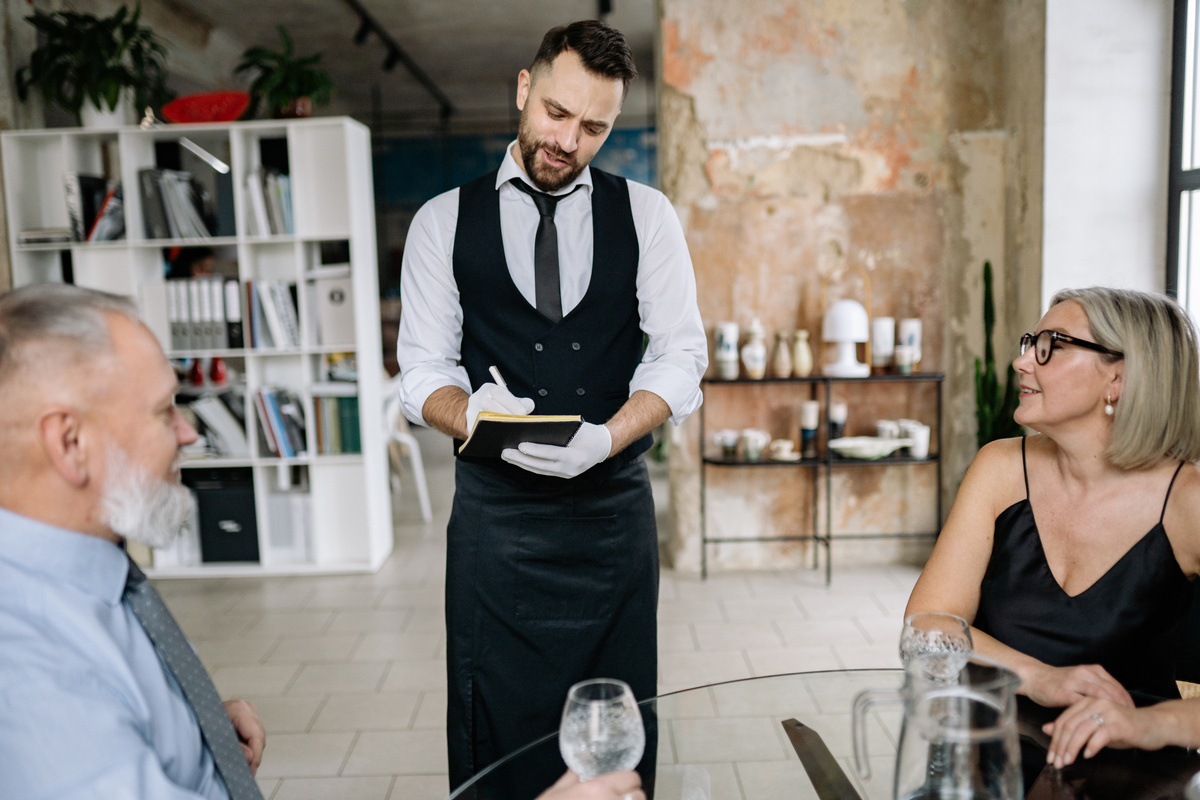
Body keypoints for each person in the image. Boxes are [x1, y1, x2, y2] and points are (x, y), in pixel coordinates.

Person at [396, 19, 707, 798]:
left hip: (611, 520)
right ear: (524, 89)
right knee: (493, 722)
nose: (568, 139)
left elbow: (682, 357)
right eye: (558, 113)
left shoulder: (647, 215)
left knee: (617, 727)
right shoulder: (441, 222)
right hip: (497, 526)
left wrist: (607, 437)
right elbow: (421, 371)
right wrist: (471, 416)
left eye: (595, 126)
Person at [905, 287, 1200, 767]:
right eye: (1030, 342)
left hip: (1129, 779)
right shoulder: (998, 467)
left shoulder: (1189, 501)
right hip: (985, 763)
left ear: (1119, 378)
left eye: (1051, 346)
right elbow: (927, 627)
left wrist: (1147, 724)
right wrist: (1039, 678)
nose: (1022, 362)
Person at [0, 283, 266, 799]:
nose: (188, 433)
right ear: (71, 443)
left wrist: (194, 725)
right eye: (164, 410)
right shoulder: (33, 681)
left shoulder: (90, 568)